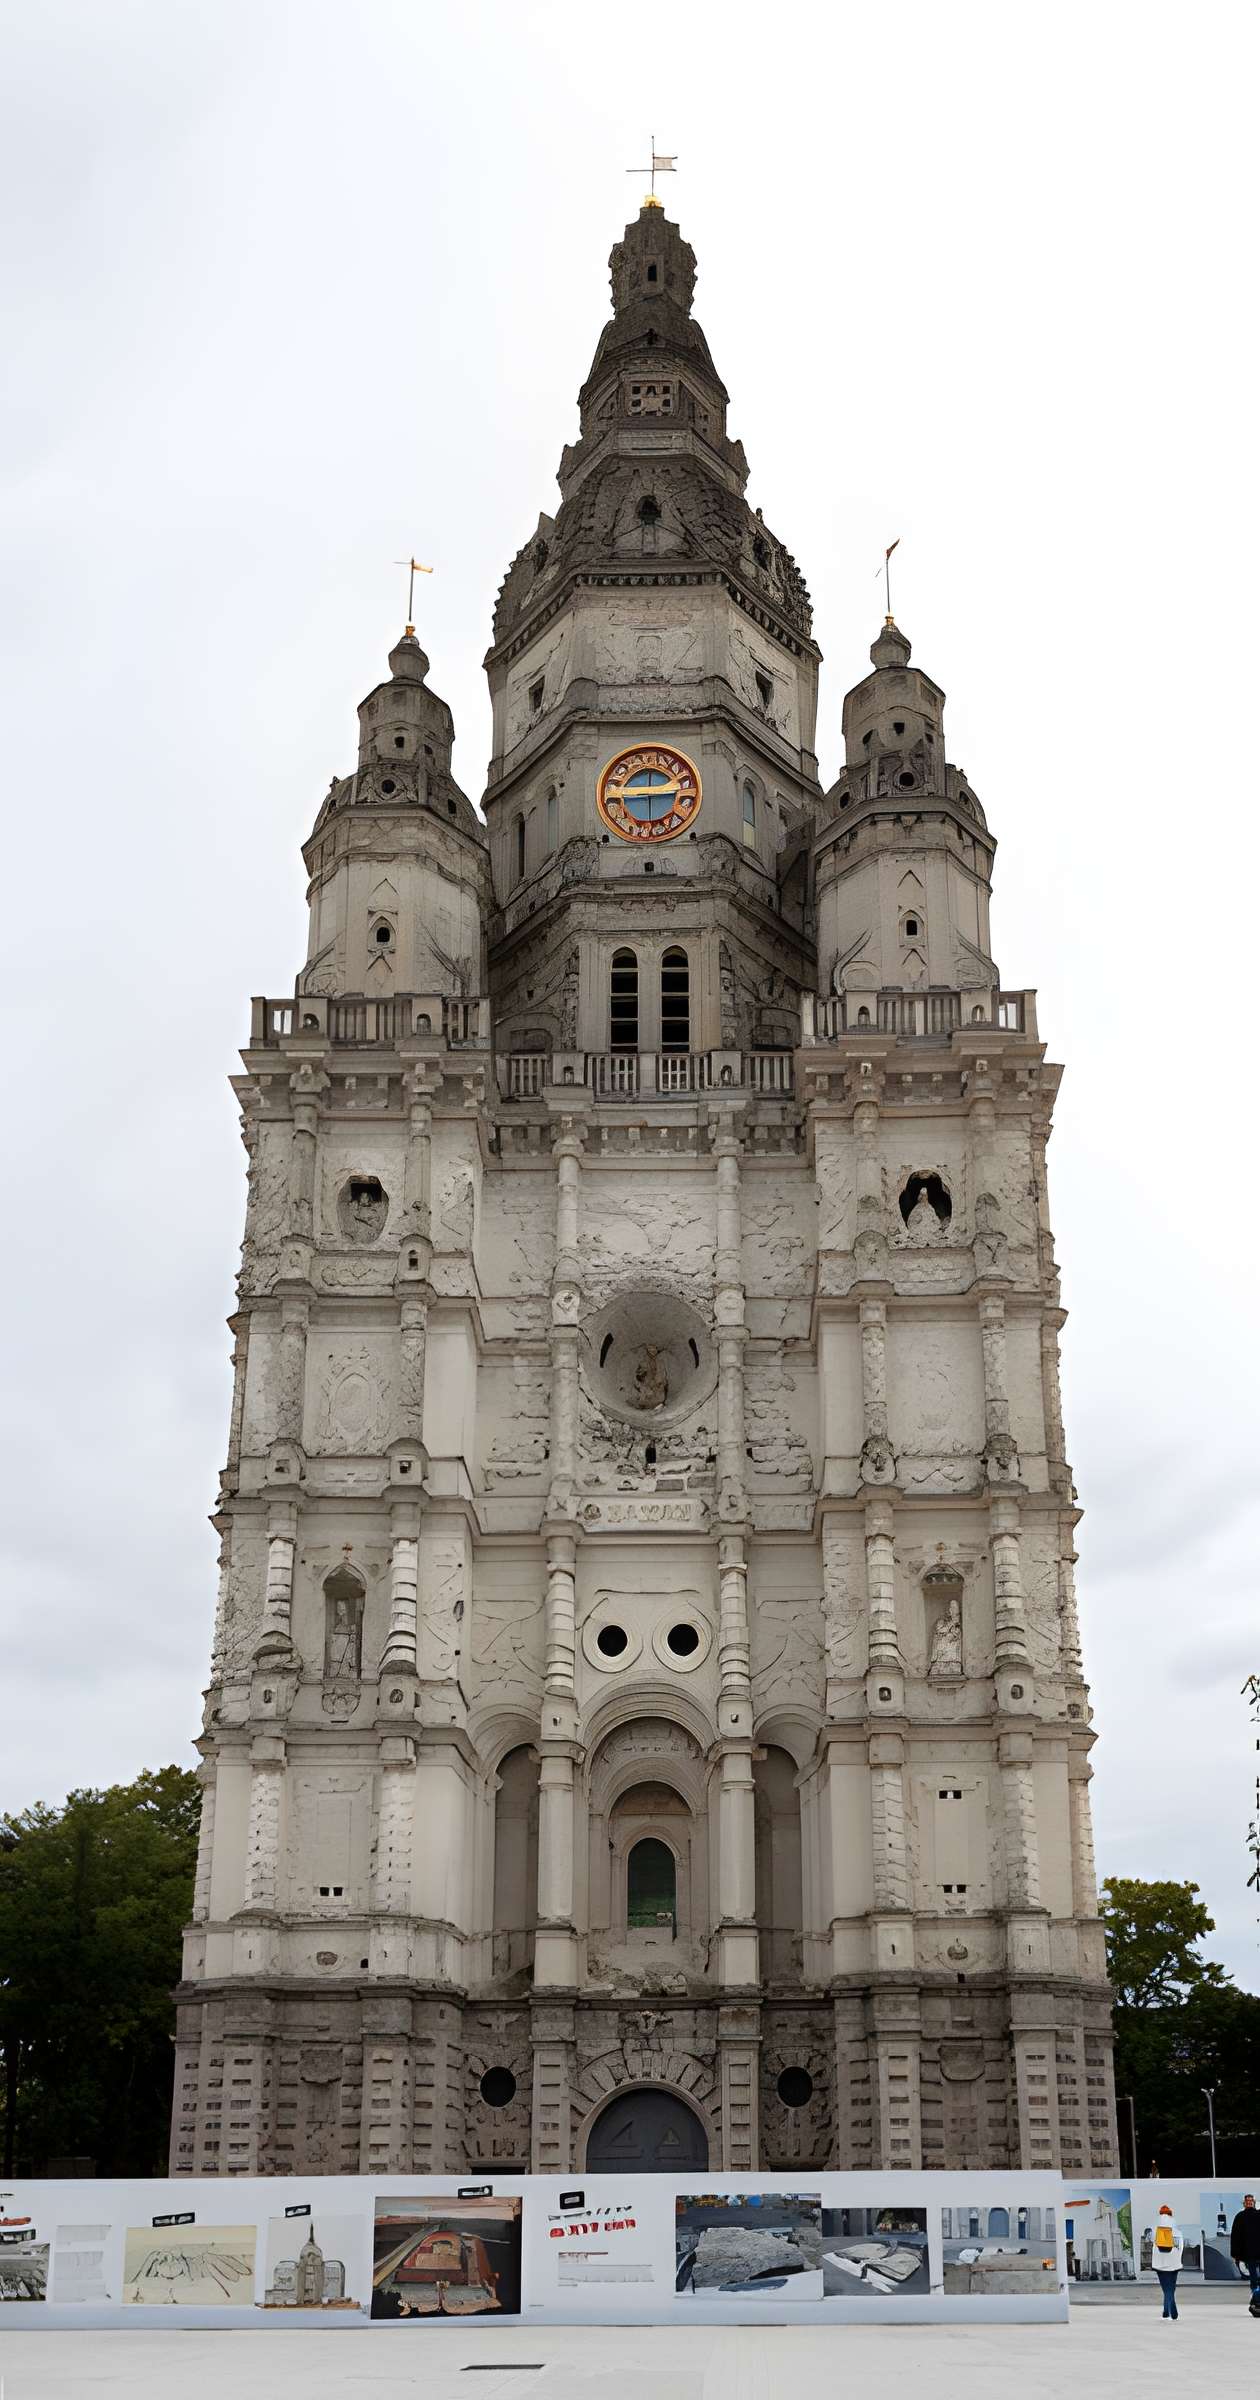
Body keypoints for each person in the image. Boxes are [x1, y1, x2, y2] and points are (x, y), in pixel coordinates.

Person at [1151, 2204, 1184, 2320]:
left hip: (1160, 2264)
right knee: (1171, 2287)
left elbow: (1152, 2244)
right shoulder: (1177, 2231)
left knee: (1166, 2288)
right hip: (1174, 2264)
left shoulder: (1155, 2230)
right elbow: (1181, 2247)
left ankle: (1171, 2310)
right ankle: (1166, 2311)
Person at [1230, 2193, 1260, 2299]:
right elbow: (1235, 2236)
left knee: (1254, 2274)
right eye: (1248, 2201)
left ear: (1254, 2202)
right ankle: (1255, 2295)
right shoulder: (1240, 2217)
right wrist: (1235, 2253)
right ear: (1244, 2203)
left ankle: (1256, 2294)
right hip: (1249, 2251)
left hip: (1254, 2251)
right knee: (1253, 2274)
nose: (1249, 2202)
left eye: (1251, 2201)